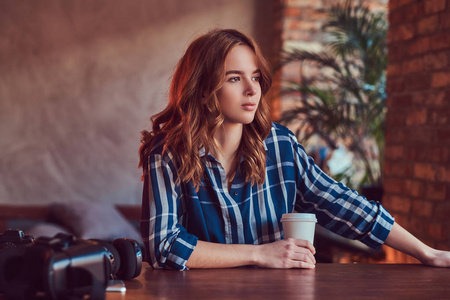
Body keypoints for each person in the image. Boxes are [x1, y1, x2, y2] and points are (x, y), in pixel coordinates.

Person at [139, 28, 450, 271]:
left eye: (256, 77)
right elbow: (163, 245)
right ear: (204, 91)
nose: (252, 90)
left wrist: (427, 253)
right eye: (234, 78)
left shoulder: (280, 146)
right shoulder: (167, 153)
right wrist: (260, 255)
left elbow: (345, 206)